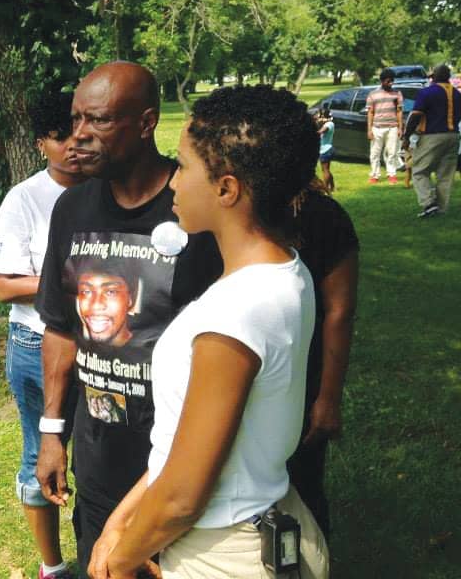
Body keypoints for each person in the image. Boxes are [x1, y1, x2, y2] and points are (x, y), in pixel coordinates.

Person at [87, 84, 328, 579]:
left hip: (224, 555)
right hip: (263, 524)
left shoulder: (235, 314)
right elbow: (182, 442)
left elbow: (181, 496)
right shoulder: (284, 271)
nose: (174, 181)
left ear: (227, 189)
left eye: (185, 166)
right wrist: (121, 518)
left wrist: (120, 560)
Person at [34, 61, 222, 571]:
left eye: (98, 121)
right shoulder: (72, 210)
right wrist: (52, 432)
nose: (80, 136)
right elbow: (58, 326)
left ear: (145, 123)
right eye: (76, 120)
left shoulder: (196, 211)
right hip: (100, 452)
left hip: (182, 459)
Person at [0, 92, 84, 579]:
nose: (73, 144)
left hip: (106, 344)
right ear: (41, 142)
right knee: (41, 452)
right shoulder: (24, 198)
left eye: (80, 131)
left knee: (101, 452)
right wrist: (80, 284)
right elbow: (5, 284)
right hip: (36, 343)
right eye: (60, 136)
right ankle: (53, 566)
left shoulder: (110, 188)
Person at [288, 184, 359, 539]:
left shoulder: (323, 216)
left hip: (302, 377)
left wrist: (328, 398)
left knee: (301, 487)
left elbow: (340, 311)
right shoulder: (228, 204)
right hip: (238, 375)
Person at [403, 64, 461, 217]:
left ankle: (429, 203)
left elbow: (415, 115)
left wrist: (406, 136)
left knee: (419, 171)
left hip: (432, 136)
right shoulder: (457, 93)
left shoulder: (427, 93)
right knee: (445, 174)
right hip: (453, 136)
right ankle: (441, 209)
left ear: (435, 76)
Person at [366, 68, 403, 185]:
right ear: (382, 81)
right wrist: (369, 130)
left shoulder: (397, 94)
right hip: (377, 128)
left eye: (392, 81)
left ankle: (391, 174)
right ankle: (374, 175)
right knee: (375, 153)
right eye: (388, 81)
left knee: (392, 153)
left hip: (393, 127)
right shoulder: (373, 94)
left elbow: (399, 111)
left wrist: (400, 128)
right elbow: (370, 112)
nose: (391, 83)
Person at [315, 108, 335, 193]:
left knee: (325, 170)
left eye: (320, 115)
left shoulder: (329, 124)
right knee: (327, 169)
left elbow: (321, 132)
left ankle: (325, 188)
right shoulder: (326, 123)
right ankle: (332, 187)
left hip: (326, 150)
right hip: (325, 150)